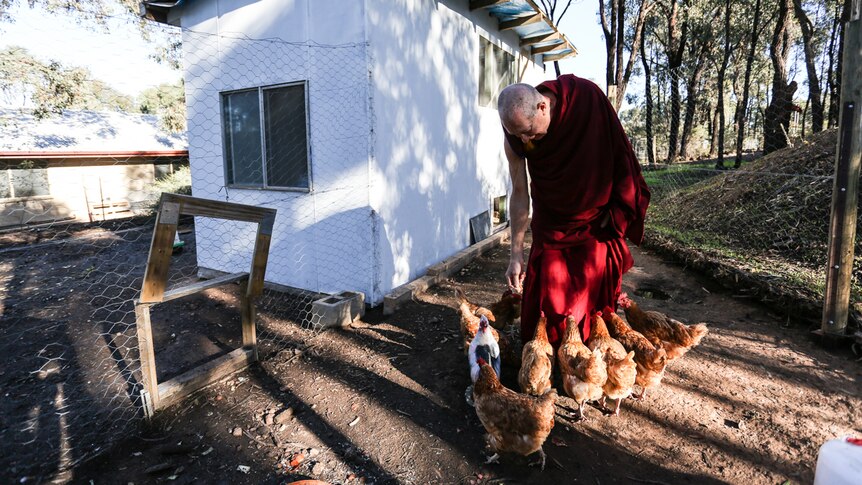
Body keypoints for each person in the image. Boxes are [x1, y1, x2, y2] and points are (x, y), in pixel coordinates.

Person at [497, 75, 650, 348]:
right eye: (517, 134)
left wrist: (616, 207)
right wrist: (515, 255)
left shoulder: (586, 99)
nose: (525, 139)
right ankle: (556, 363)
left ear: (543, 107)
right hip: (551, 225)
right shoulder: (516, 134)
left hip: (594, 225)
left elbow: (618, 155)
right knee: (548, 309)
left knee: (594, 313)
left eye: (529, 131)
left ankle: (592, 363)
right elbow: (520, 193)